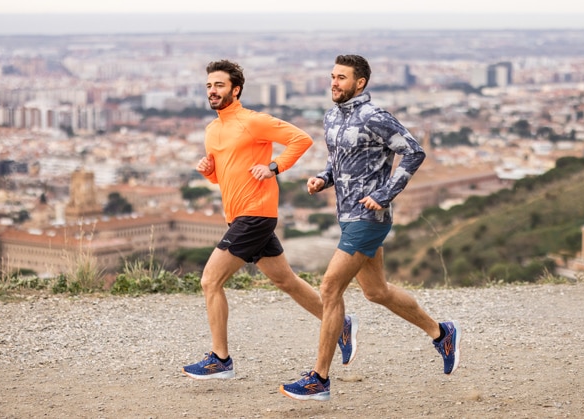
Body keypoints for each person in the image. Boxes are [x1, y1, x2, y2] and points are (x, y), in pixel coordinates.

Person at [280, 55, 462, 401]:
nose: (334, 83)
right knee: (376, 291)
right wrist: (323, 178)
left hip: (370, 219)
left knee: (330, 288)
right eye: (332, 76)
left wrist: (385, 193)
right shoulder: (331, 117)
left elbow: (413, 152)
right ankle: (442, 333)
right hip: (346, 214)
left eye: (342, 78)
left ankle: (319, 379)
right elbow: (338, 161)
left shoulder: (376, 117)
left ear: (359, 82)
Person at [182, 59, 359, 380]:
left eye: (219, 85)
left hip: (255, 215)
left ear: (235, 90)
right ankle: (338, 324)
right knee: (285, 281)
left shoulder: (252, 121)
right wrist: (209, 173)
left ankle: (220, 360)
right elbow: (224, 179)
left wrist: (275, 167)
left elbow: (301, 139)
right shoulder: (212, 130)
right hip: (238, 216)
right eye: (209, 85)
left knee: (210, 280)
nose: (212, 91)